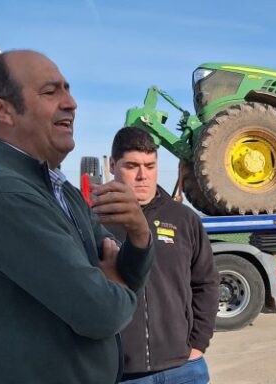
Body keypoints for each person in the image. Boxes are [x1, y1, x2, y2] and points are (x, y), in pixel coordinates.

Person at [0, 50, 154, 384]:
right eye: (50, 92)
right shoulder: (3, 195)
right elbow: (101, 314)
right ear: (3, 110)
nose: (71, 103)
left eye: (67, 89)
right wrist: (111, 283)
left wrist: (139, 235)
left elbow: (118, 276)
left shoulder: (57, 188)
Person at [105, 127, 218, 384]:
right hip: (122, 374)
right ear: (113, 165)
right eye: (132, 166)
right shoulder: (96, 221)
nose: (143, 176)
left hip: (184, 368)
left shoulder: (183, 219)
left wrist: (198, 343)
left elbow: (206, 282)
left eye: (150, 165)